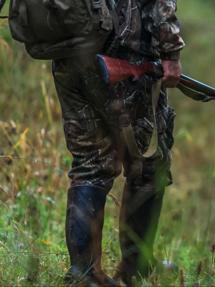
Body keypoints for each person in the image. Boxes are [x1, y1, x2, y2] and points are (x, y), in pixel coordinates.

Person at [51, 0, 185, 285]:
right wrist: (171, 52)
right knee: (149, 164)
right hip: (126, 54)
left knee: (90, 163)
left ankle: (84, 274)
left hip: (67, 55)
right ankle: (135, 268)